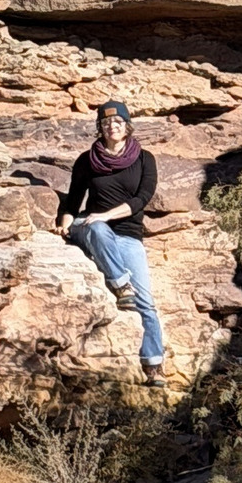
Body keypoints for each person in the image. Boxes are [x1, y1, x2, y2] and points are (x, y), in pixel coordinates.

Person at [58, 97, 166, 378]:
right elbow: (73, 200)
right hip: (93, 229)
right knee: (95, 228)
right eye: (105, 123)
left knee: (146, 303)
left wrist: (106, 215)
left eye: (117, 121)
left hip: (127, 234)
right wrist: (64, 225)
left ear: (127, 125)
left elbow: (142, 199)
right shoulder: (87, 160)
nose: (112, 127)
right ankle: (121, 285)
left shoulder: (144, 159)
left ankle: (153, 365)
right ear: (100, 128)